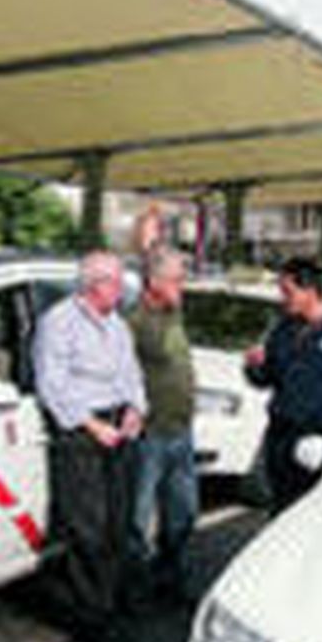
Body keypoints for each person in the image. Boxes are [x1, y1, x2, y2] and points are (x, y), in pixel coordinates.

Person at [33, 250, 146, 642]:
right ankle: (92, 617)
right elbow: (51, 384)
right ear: (93, 284)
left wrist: (135, 409)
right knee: (88, 529)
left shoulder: (116, 325)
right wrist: (92, 425)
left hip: (119, 429)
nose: (120, 289)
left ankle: (110, 603)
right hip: (81, 432)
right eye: (114, 281)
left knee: (118, 525)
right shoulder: (59, 322)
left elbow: (132, 374)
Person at [244, 254, 322, 509]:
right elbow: (267, 378)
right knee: (279, 513)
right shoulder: (283, 328)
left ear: (310, 290)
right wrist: (254, 367)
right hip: (281, 440)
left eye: (288, 291)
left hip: (319, 444)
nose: (283, 298)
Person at [129, 246, 199, 606]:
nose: (181, 287)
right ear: (154, 283)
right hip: (151, 435)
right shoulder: (136, 321)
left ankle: (172, 581)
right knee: (139, 521)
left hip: (181, 431)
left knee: (183, 514)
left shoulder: (173, 312)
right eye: (175, 280)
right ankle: (134, 589)